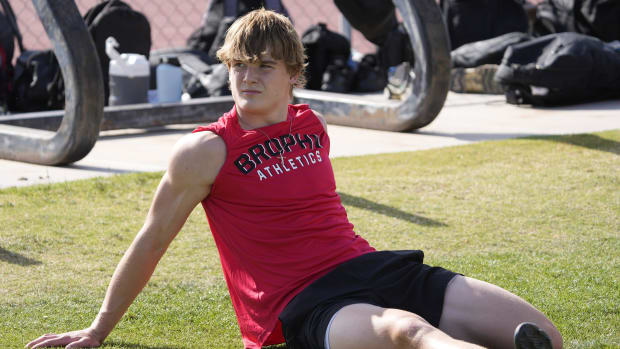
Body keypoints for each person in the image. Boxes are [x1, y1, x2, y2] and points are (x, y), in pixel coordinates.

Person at [26, 8, 562, 349]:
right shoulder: (206, 150)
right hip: (306, 304)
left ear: (293, 76)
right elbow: (151, 241)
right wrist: (97, 329)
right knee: (409, 333)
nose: (247, 77)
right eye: (238, 64)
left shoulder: (313, 124)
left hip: (374, 267)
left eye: (262, 66)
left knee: (542, 335)